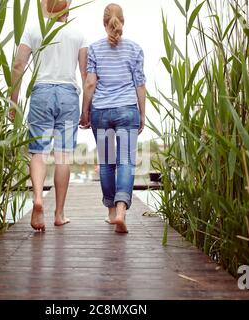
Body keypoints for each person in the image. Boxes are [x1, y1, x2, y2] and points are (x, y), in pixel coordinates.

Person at [10, 0, 88, 231]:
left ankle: (38, 199)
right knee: (63, 155)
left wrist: (12, 103)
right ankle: (59, 214)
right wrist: (86, 109)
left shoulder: (33, 29)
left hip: (41, 92)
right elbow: (85, 75)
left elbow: (17, 66)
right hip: (68, 94)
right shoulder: (78, 33)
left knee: (38, 152)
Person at [79, 3, 146, 233]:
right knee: (126, 161)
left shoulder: (95, 49)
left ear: (103, 22)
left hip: (103, 112)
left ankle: (110, 213)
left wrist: (85, 111)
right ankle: (120, 211)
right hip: (128, 110)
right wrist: (142, 113)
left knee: (107, 163)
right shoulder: (135, 49)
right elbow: (140, 85)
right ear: (123, 22)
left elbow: (89, 83)